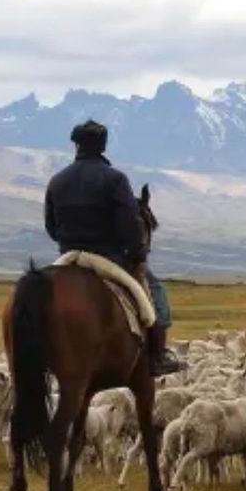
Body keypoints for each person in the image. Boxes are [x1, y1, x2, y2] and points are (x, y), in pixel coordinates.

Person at [43, 119, 181, 376]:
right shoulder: (115, 180)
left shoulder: (57, 181)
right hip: (108, 258)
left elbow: (51, 227)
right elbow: (129, 225)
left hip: (67, 257)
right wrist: (137, 255)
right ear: (103, 146)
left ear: (76, 145)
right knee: (156, 292)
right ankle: (157, 356)